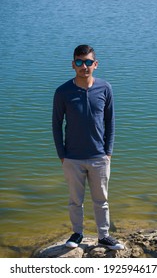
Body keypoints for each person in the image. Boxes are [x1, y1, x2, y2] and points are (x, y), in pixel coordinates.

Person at [52, 44, 124, 250]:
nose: (84, 66)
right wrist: (62, 155)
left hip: (99, 156)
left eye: (88, 62)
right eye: (79, 62)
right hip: (72, 157)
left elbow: (110, 122)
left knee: (101, 200)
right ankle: (77, 234)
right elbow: (56, 125)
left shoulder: (105, 88)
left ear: (96, 64)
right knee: (75, 200)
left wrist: (108, 152)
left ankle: (104, 235)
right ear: (73, 65)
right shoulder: (63, 92)